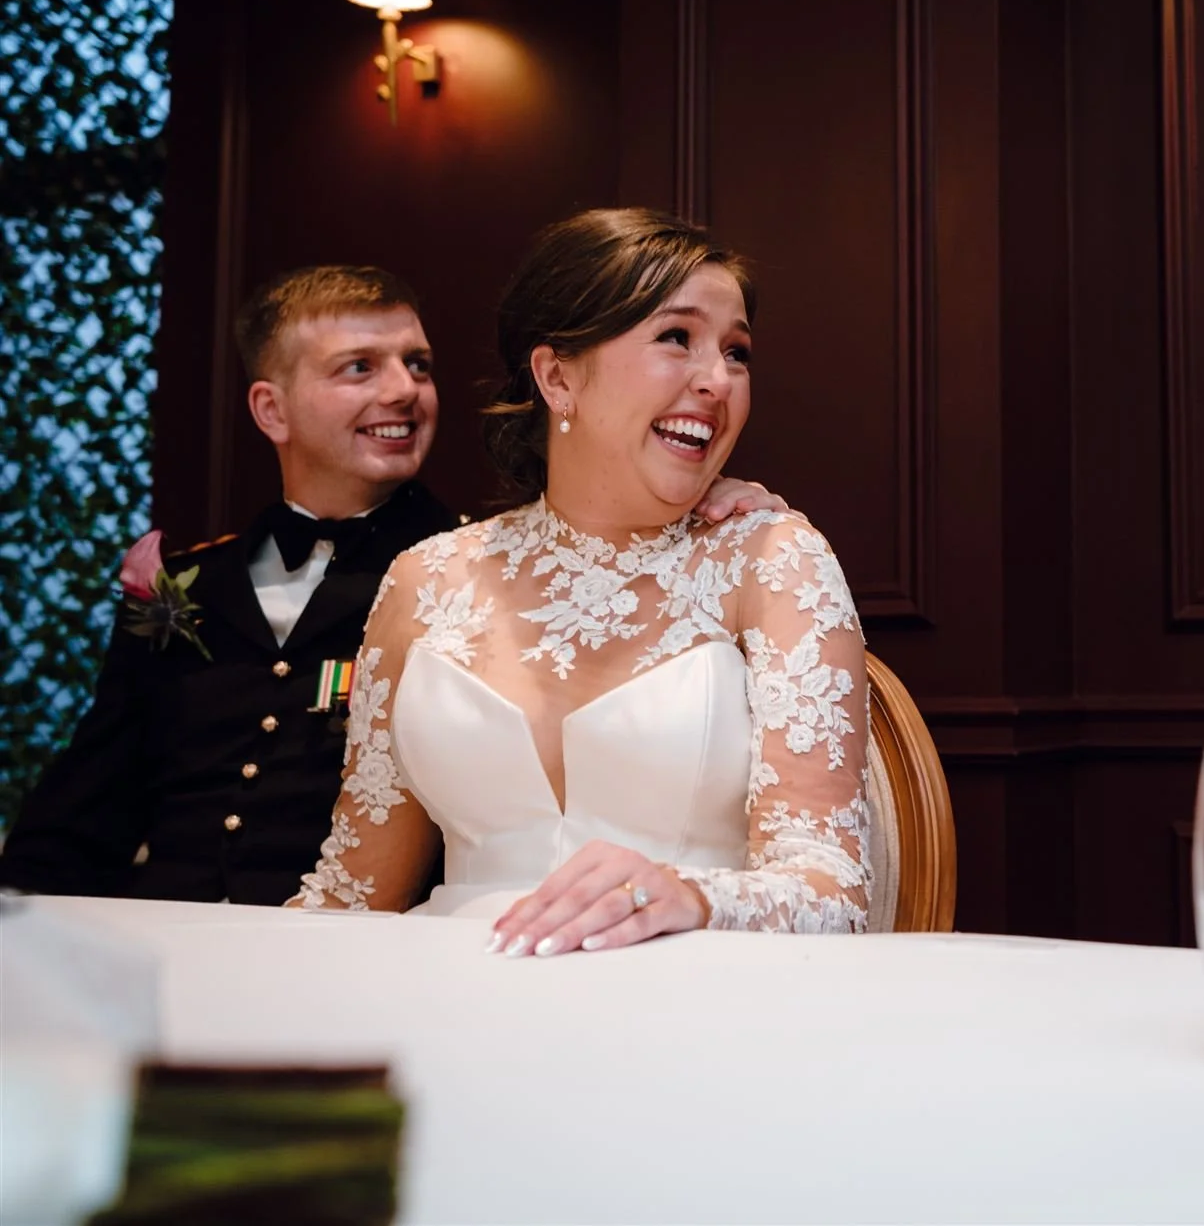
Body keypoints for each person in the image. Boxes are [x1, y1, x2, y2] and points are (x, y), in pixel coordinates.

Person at [0, 266, 780, 905]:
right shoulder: (186, 583)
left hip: (373, 953)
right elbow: (88, 797)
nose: (404, 390)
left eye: (419, 365)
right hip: (166, 932)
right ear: (271, 410)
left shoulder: (464, 578)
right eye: (359, 368)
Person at [290, 209, 870, 952]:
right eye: (676, 338)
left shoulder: (772, 560)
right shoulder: (425, 579)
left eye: (737, 352)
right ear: (558, 376)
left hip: (686, 1001)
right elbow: (351, 892)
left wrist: (688, 894)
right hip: (447, 994)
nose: (717, 380)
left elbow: (833, 891)